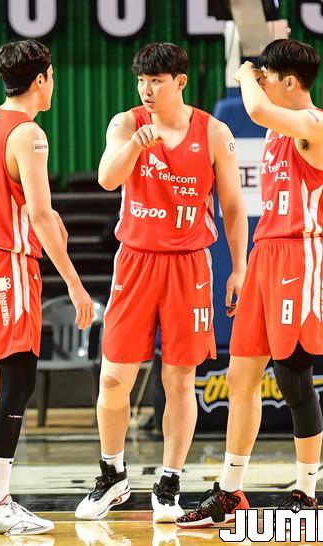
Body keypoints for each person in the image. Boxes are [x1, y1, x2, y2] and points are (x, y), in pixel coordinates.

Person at [74, 42, 248, 524]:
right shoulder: (125, 123)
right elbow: (107, 178)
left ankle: (169, 482)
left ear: (180, 82)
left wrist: (239, 267)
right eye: (142, 81)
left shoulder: (213, 132)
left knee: (179, 380)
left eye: (157, 81)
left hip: (189, 265)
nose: (147, 90)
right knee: (114, 378)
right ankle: (112, 475)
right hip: (135, 261)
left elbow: (234, 207)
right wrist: (135, 145)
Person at [179, 39, 323, 526]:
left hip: (301, 254)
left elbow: (254, 107)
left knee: (293, 378)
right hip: (266, 254)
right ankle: (230, 492)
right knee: (240, 377)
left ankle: (306, 493)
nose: (261, 83)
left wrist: (246, 72)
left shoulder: (319, 126)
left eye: (268, 76)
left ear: (289, 81)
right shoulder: (278, 130)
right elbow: (262, 111)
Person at [0, 39, 94, 535]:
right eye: (52, 76)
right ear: (41, 79)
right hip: (5, 263)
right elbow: (38, 215)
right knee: (18, 378)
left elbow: (13, 197)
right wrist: (76, 286)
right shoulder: (29, 133)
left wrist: (43, 215)